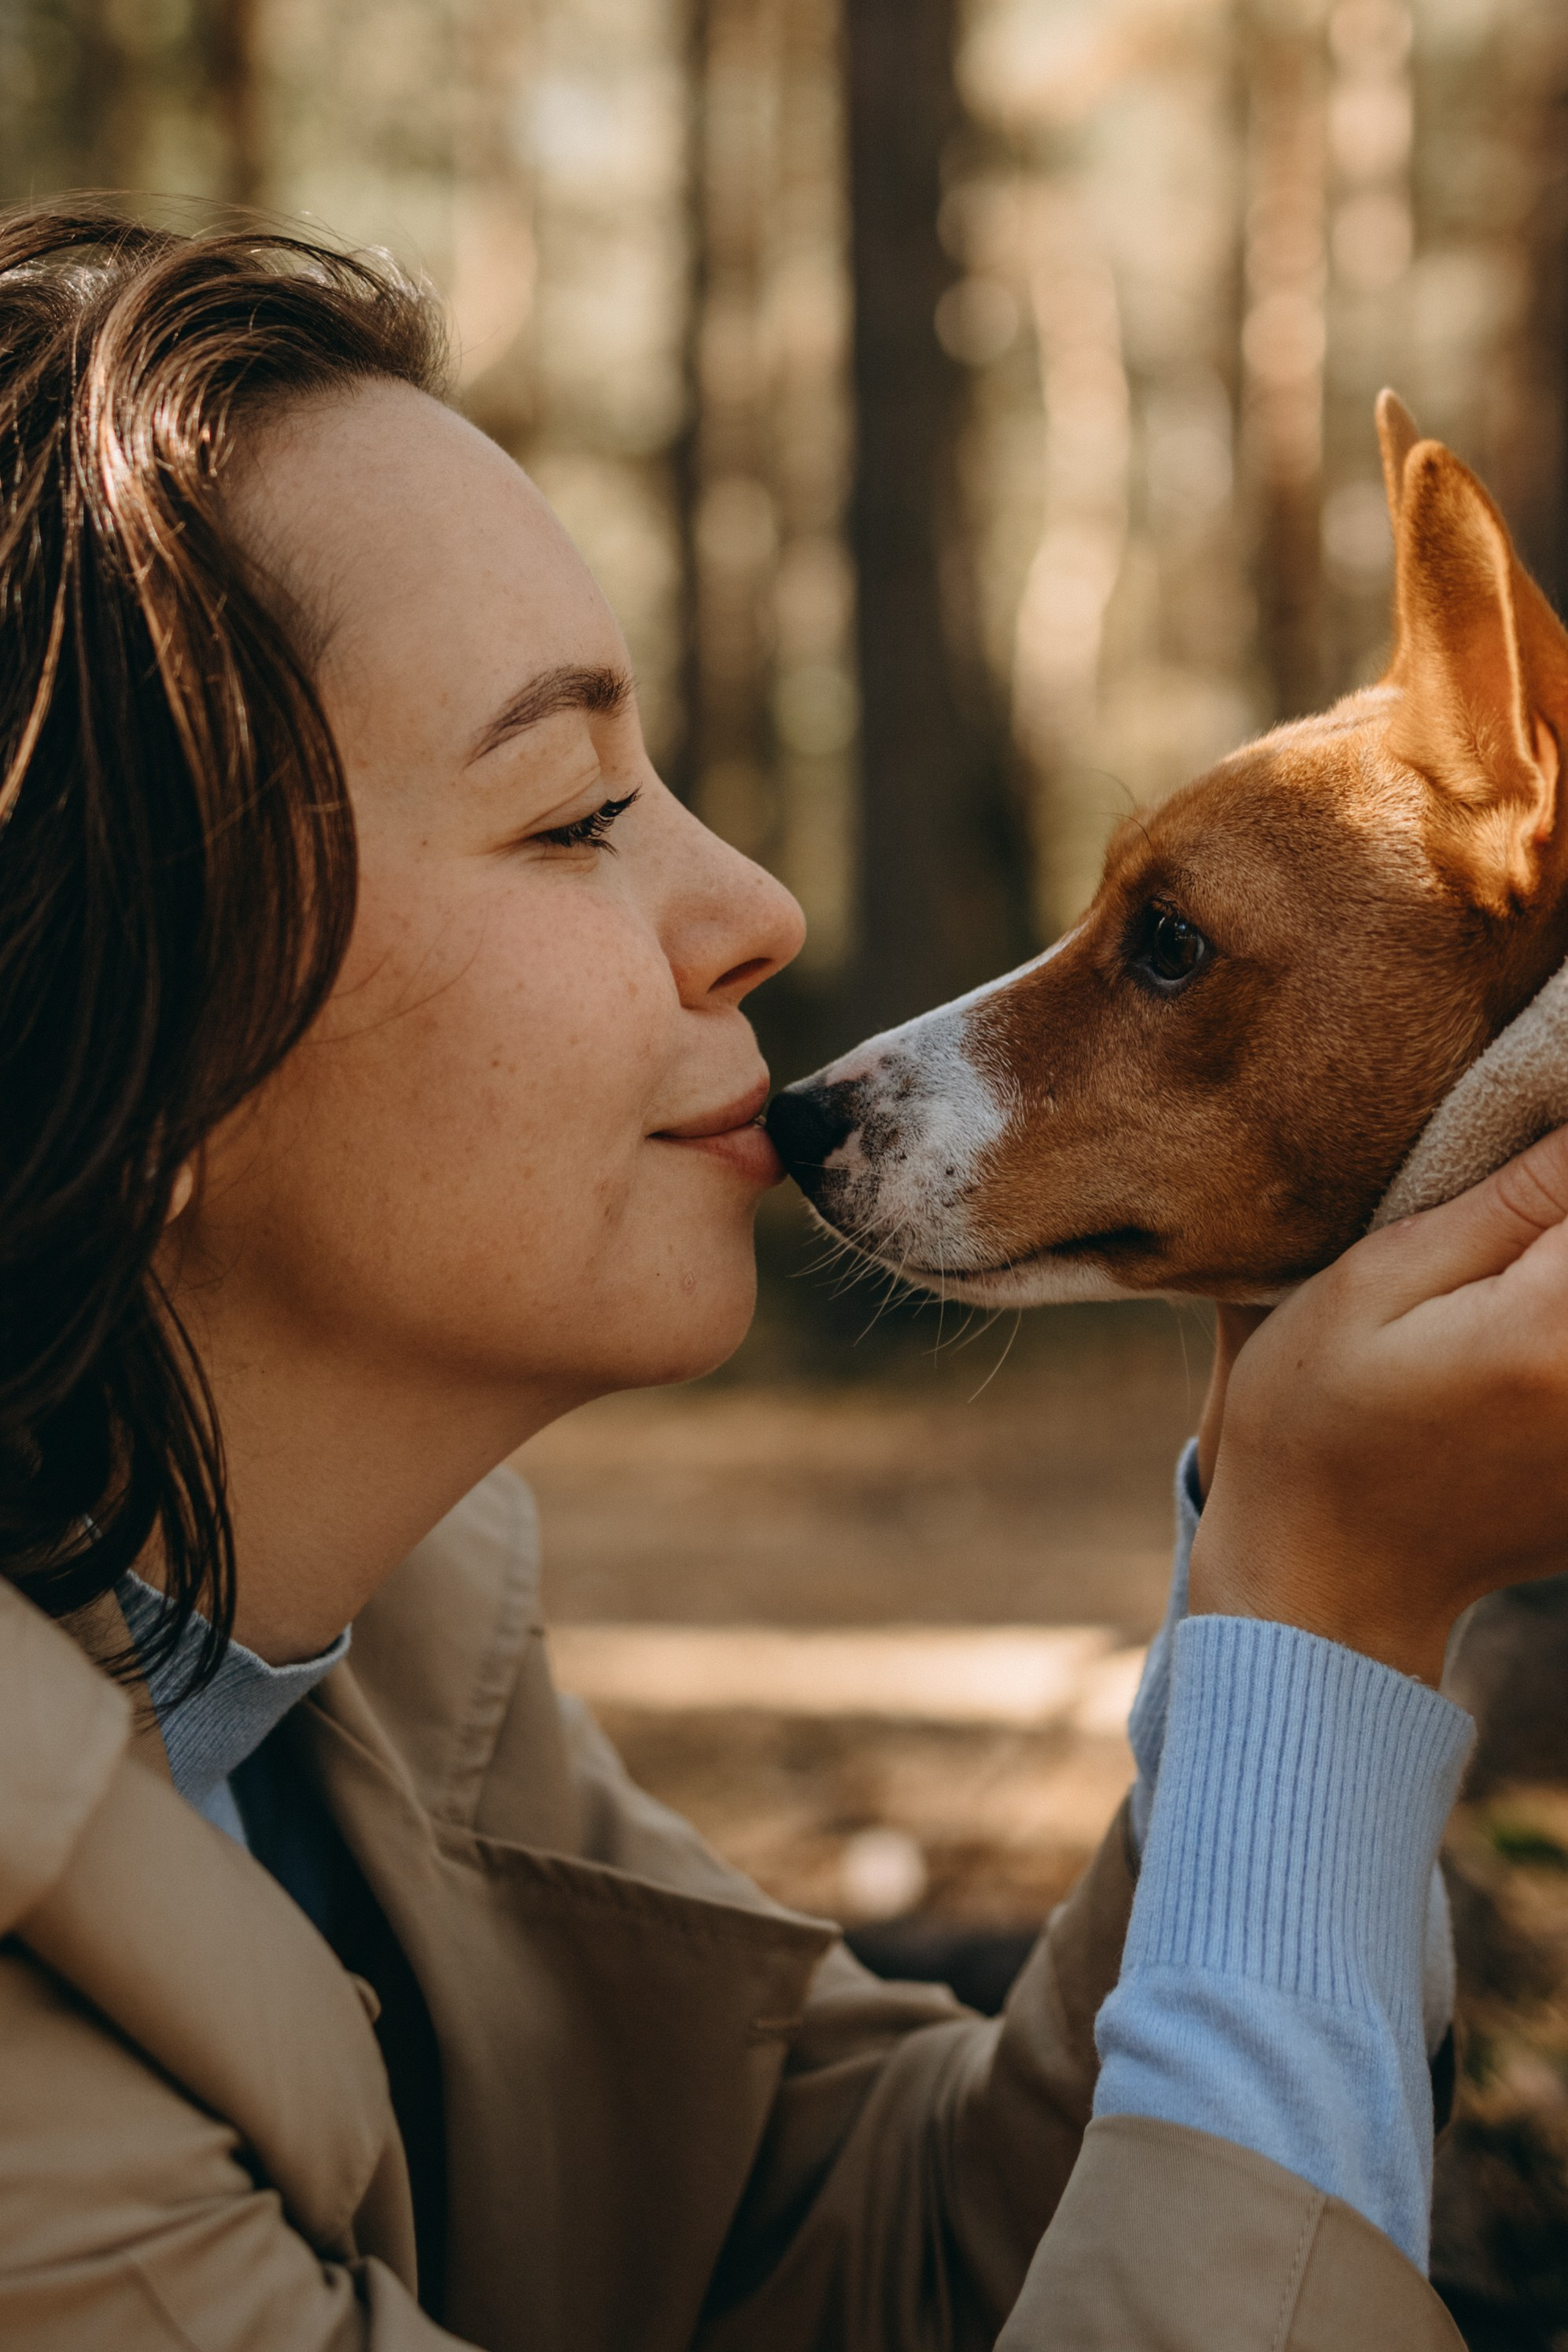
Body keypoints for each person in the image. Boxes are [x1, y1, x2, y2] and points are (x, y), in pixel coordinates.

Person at [1, 198, 1560, 2351]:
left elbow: (880, 2264)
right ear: (112, 1035)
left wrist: (1299, 1563)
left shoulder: (364, 1668)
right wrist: (1325, 1613)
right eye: (569, 812)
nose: (757, 903)